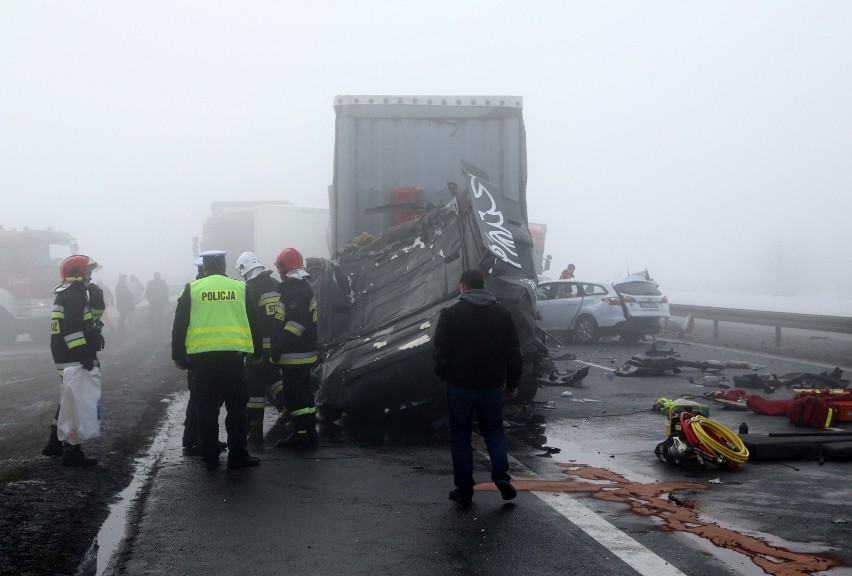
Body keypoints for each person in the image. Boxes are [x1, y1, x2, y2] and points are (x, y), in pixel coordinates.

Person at [433, 268, 523, 503]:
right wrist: (512, 383)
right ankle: (502, 476)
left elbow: (441, 350)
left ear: (463, 287)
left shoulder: (451, 314)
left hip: (459, 385)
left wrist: (442, 374)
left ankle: (464, 490)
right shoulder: (501, 314)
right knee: (494, 432)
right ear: (483, 286)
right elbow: (514, 352)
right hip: (491, 386)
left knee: (461, 437)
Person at [171, 250, 263, 470]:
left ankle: (210, 455)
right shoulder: (240, 288)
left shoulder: (192, 289)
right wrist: (257, 351)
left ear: (204, 267)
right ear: (223, 265)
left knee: (206, 408)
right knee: (237, 408)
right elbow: (253, 321)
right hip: (232, 358)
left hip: (201, 360)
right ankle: (237, 455)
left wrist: (178, 355)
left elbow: (179, 325)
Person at [41, 255, 105, 466]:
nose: (90, 276)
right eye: (87, 272)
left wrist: (97, 306)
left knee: (69, 398)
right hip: (72, 356)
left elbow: (87, 322)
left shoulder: (73, 294)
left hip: (66, 355)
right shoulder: (74, 296)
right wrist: (84, 357)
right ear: (77, 274)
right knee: (76, 402)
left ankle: (55, 442)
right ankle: (72, 453)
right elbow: (72, 332)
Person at [270, 248, 319, 449]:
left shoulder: (294, 290)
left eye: (279, 269)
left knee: (295, 396)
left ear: (284, 268)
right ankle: (309, 431)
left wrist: (279, 346)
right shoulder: (302, 286)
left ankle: (300, 434)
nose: (278, 273)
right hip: (303, 354)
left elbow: (296, 323)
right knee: (306, 396)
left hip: (294, 355)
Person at [235, 251, 287, 440]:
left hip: (257, 347)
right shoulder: (277, 285)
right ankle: (286, 406)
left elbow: (247, 320)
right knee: (273, 377)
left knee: (254, 384)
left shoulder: (249, 289)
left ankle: (255, 423)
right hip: (278, 345)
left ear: (243, 270)